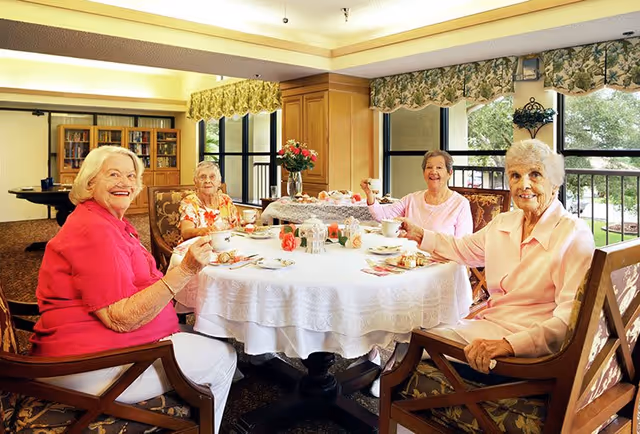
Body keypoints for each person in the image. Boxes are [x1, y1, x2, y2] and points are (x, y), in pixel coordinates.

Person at [30, 146, 236, 432]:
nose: (125, 183)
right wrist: (186, 270)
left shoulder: (107, 221)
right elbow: (120, 318)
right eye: (113, 174)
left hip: (96, 349)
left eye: (130, 176)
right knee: (226, 357)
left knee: (204, 335)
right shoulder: (95, 231)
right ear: (90, 182)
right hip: (89, 366)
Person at [398, 139, 595, 374]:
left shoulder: (573, 234)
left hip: (528, 352)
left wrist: (509, 345)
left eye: (535, 175)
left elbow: (570, 320)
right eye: (515, 176)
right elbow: (463, 248)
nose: (524, 185)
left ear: (555, 182)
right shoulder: (504, 223)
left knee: (414, 348)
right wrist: (421, 235)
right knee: (412, 338)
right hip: (490, 324)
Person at [361, 150, 473, 237]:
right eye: (429, 167)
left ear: (450, 173)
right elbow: (383, 216)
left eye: (439, 167)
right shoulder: (412, 199)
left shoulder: (460, 204)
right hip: (410, 260)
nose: (433, 171)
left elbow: (463, 245)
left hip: (444, 262)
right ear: (424, 172)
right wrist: (369, 193)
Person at [180, 160, 240, 241]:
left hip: (224, 246)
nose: (207, 181)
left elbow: (238, 226)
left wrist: (252, 219)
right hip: (197, 249)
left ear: (219, 182)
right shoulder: (190, 202)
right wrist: (201, 231)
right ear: (195, 182)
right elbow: (185, 232)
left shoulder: (226, 200)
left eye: (212, 177)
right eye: (202, 177)